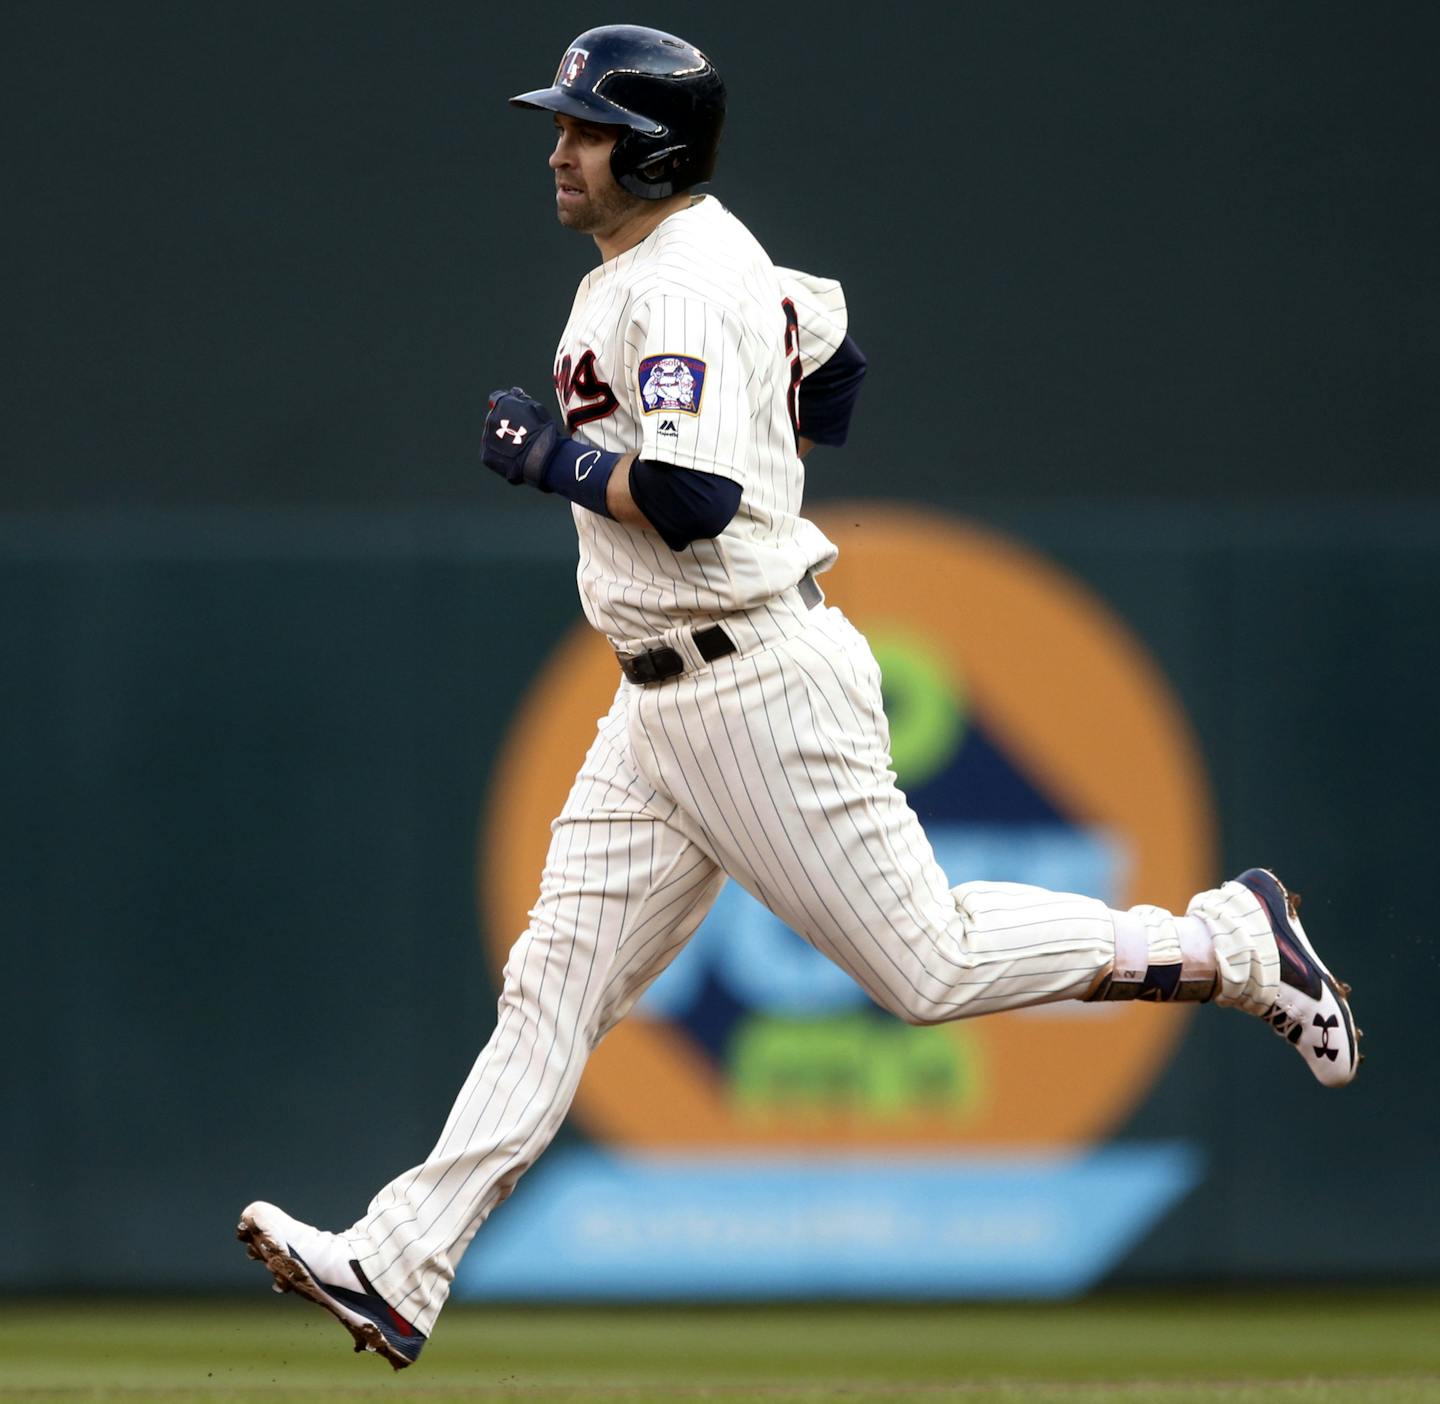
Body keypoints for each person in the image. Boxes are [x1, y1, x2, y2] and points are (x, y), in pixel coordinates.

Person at [237, 24, 1361, 1371]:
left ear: (649, 146)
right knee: (551, 987)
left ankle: (1233, 945)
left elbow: (700, 505)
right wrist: (772, 419)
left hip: (751, 677)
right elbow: (830, 354)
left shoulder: (689, 281)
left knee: (929, 965)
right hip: (659, 701)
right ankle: (399, 1263)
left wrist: (553, 463)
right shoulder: (691, 264)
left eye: (585, 126)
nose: (558, 146)